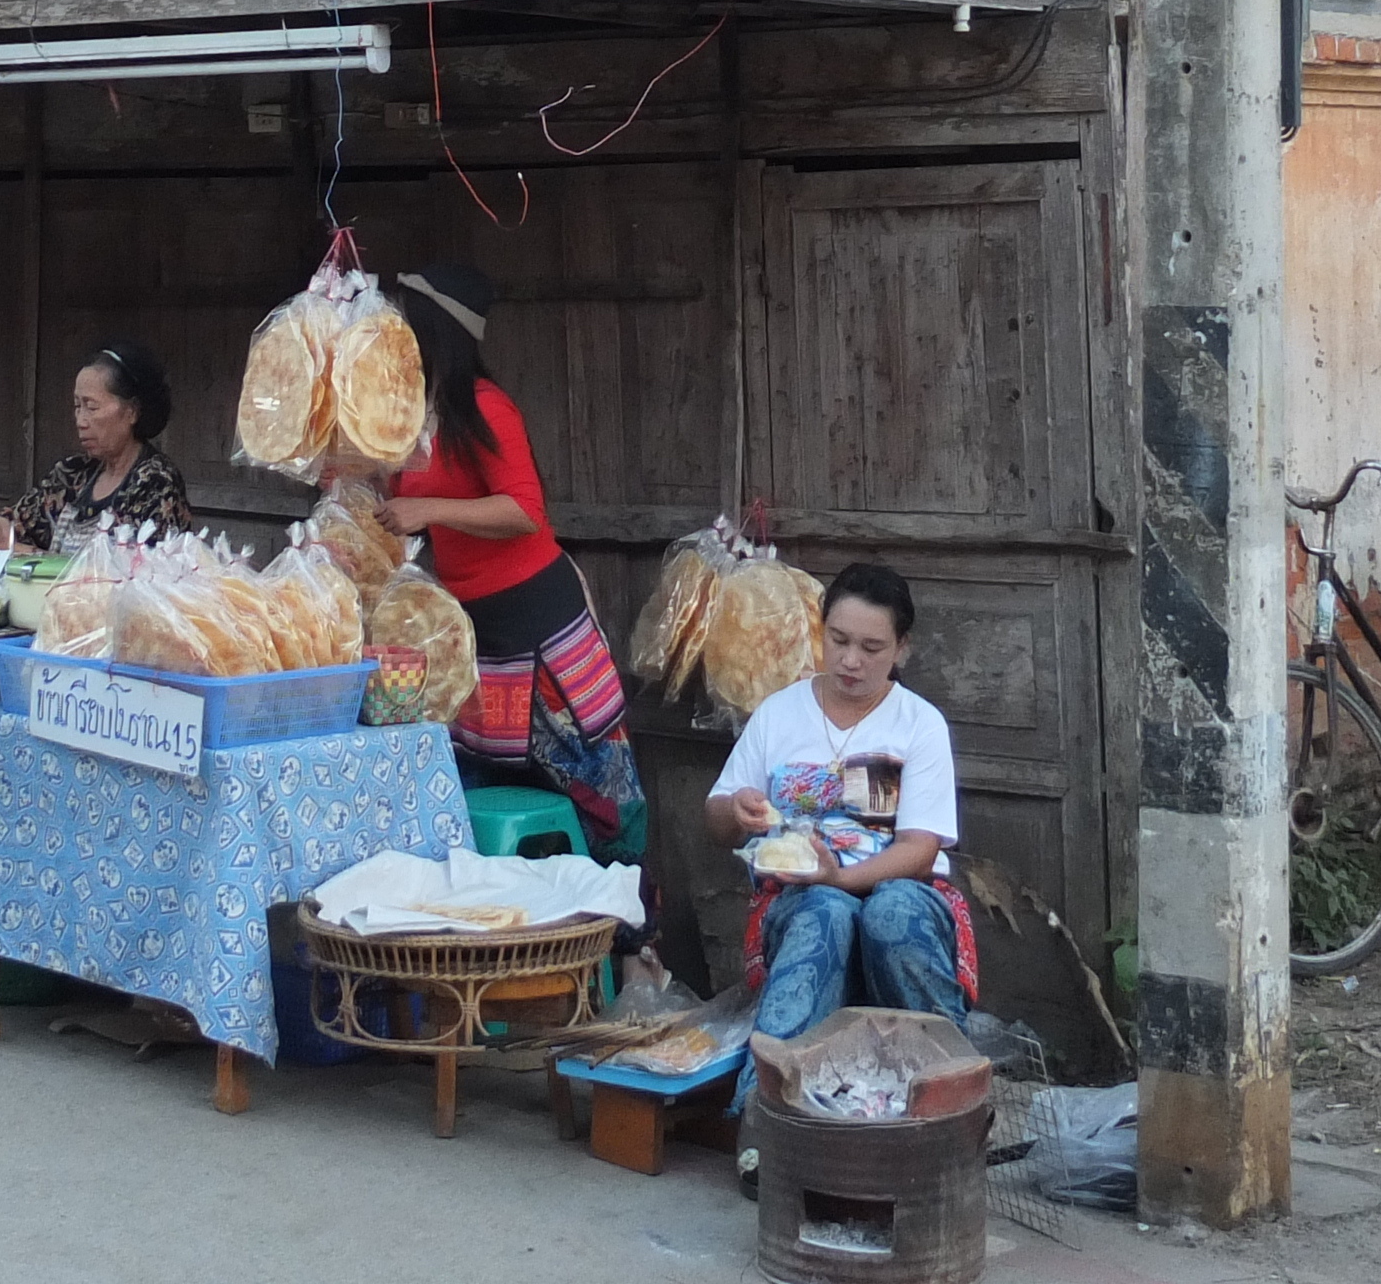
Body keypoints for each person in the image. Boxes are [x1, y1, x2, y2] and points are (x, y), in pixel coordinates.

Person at [705, 561, 974, 1164]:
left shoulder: (919, 724)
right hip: (800, 895)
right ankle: (766, 1123)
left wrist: (842, 876)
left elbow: (920, 849)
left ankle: (953, 1103)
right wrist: (739, 809)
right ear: (819, 631)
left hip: (898, 887)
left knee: (892, 911)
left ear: (901, 648)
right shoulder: (779, 713)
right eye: (839, 641)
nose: (851, 661)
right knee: (823, 914)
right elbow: (717, 820)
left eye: (872, 647)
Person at [376, 265, 642, 857]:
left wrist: (431, 511)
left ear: (432, 333)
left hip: (538, 620)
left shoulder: (486, 407)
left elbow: (524, 509)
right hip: (473, 629)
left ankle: (631, 936)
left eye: (402, 324)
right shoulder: (412, 416)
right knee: (497, 785)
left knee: (592, 783)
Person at [0, 343, 189, 548]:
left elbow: (138, 573)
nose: (80, 421)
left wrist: (31, 556)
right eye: (77, 406)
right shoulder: (72, 473)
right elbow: (7, 528)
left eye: (92, 407)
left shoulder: (156, 481)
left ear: (132, 411)